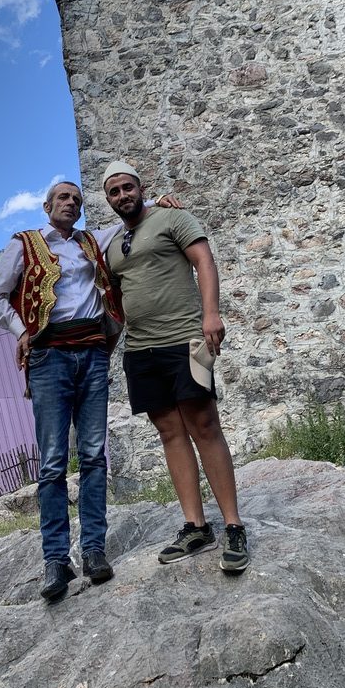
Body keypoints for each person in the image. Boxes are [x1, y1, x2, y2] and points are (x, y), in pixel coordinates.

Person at [0, 179, 179, 601]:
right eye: (63, 198)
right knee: (53, 461)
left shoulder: (92, 241)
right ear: (47, 206)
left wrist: (158, 202)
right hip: (49, 357)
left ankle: (93, 550)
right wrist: (22, 331)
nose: (70, 203)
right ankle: (55, 560)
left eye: (76, 199)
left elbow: (129, 221)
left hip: (91, 355)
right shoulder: (24, 244)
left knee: (93, 455)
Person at [102, 160, 249, 573]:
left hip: (186, 340)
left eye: (128, 187)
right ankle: (196, 526)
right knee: (169, 432)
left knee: (204, 426)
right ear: (108, 199)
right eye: (114, 192)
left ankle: (234, 526)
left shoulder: (173, 218)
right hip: (140, 350)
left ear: (141, 187)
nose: (122, 196)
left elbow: (204, 260)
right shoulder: (112, 243)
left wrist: (211, 314)